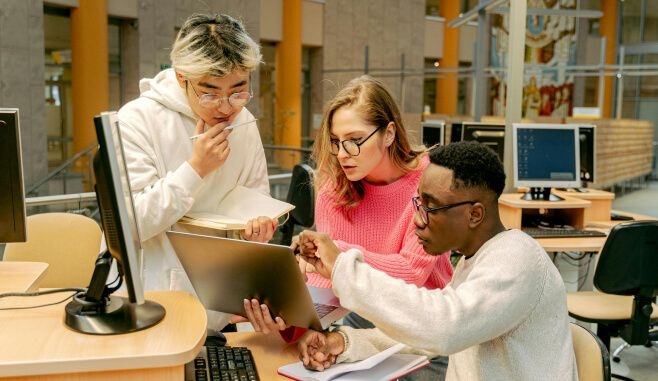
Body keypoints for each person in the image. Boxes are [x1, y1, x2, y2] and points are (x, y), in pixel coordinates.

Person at [295, 141, 577, 381]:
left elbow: (444, 328)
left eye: (431, 207)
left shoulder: (517, 259)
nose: (417, 220)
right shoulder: (475, 260)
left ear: (474, 214)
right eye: (419, 203)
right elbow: (423, 334)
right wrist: (345, 343)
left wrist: (344, 267)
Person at [240, 75, 453, 380]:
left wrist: (338, 257)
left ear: (389, 133)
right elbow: (327, 281)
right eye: (337, 142)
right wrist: (293, 319)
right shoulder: (333, 187)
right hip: (353, 319)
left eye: (354, 140)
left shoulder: (429, 183)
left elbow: (411, 275)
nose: (341, 154)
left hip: (420, 328)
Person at [116, 13, 277, 331]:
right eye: (210, 92)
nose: (226, 106)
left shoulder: (244, 122)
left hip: (219, 306)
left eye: (239, 89)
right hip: (150, 305)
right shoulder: (136, 119)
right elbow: (129, 224)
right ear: (180, 78)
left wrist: (258, 228)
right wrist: (195, 169)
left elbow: (258, 200)